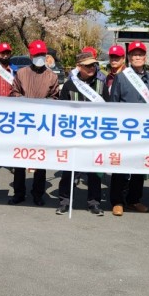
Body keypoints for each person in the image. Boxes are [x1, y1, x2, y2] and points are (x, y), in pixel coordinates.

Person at [10, 39, 60, 205]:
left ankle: (38, 194)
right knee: (19, 159)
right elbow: (14, 92)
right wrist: (23, 100)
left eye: (42, 54)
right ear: (31, 55)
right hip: (24, 123)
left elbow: (55, 97)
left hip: (42, 124)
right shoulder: (21, 73)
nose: (39, 57)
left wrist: (45, 104)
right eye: (36, 54)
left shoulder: (52, 76)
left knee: (40, 159)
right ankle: (19, 192)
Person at [107, 41, 149, 213]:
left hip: (145, 130)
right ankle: (117, 201)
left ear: (145, 57)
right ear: (128, 57)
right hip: (124, 130)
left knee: (139, 166)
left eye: (140, 54)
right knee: (120, 165)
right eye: (134, 54)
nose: (137, 57)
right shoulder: (121, 77)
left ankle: (134, 199)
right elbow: (113, 104)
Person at [56, 51, 106, 215]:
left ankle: (94, 202)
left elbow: (109, 109)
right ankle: (64, 201)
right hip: (74, 134)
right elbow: (62, 109)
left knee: (94, 172)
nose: (92, 68)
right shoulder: (70, 85)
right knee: (69, 170)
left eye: (94, 65)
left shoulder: (100, 85)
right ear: (79, 67)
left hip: (94, 134)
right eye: (87, 65)